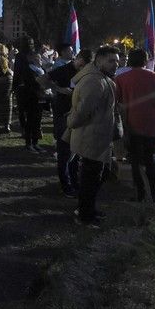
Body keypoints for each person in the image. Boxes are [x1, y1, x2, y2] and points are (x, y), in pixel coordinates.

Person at [65, 46, 120, 226]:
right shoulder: (95, 81)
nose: (116, 64)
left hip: (97, 135)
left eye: (117, 61)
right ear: (98, 60)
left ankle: (87, 209)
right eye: (111, 60)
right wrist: (71, 123)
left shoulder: (101, 78)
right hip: (92, 136)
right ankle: (85, 215)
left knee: (98, 175)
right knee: (91, 177)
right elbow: (82, 110)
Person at [115, 49, 155, 204]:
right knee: (150, 160)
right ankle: (154, 193)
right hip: (154, 125)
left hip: (132, 125)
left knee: (135, 161)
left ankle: (139, 194)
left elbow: (115, 101)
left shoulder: (121, 78)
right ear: (146, 61)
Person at [39, 48, 92, 197]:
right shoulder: (64, 69)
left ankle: (75, 181)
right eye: (81, 64)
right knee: (65, 151)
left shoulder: (89, 72)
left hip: (79, 114)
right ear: (78, 59)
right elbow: (41, 80)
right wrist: (59, 89)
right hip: (63, 113)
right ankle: (66, 184)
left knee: (77, 151)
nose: (82, 68)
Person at [18, 52, 46, 153]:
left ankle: (35, 142)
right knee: (30, 121)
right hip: (31, 98)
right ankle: (28, 143)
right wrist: (40, 87)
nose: (41, 60)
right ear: (33, 60)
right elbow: (32, 84)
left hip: (40, 98)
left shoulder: (41, 71)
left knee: (38, 121)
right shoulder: (29, 70)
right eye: (39, 58)